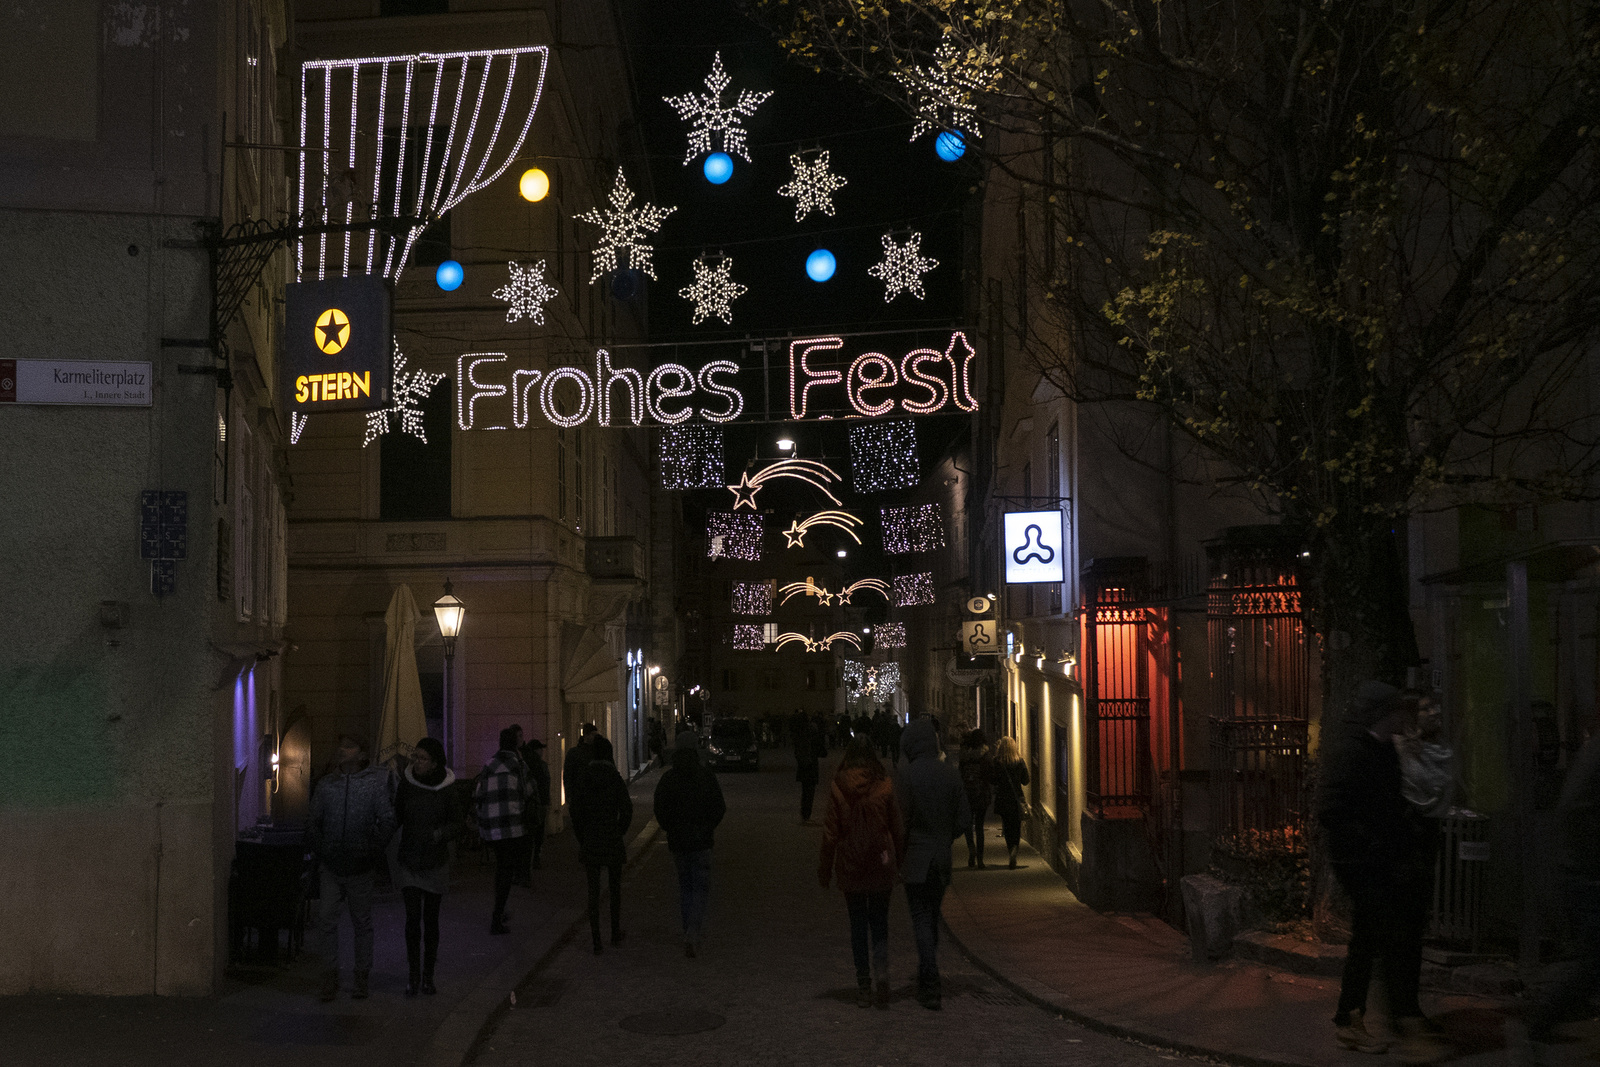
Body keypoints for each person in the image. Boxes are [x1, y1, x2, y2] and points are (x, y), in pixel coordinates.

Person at [1316, 681, 1444, 1061]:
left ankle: (1372, 1016)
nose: (1407, 718)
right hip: (1359, 862)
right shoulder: (1352, 751)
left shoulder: (1384, 748)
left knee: (1375, 935)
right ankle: (1355, 1020)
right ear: (1385, 714)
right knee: (1375, 934)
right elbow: (1331, 810)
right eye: (1400, 712)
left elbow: (1394, 801)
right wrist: (1371, 842)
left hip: (1379, 859)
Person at [1519, 724, 1600, 1054]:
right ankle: (1540, 1024)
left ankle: (1541, 1023)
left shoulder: (1593, 750)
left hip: (1580, 868)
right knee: (1592, 962)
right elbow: (1580, 814)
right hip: (1587, 872)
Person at [819, 735, 906, 1010]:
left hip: (851, 864)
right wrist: (899, 863)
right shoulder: (885, 784)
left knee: (858, 927)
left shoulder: (839, 786)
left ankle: (864, 986)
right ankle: (881, 977)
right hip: (880, 863)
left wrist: (824, 870)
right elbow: (897, 828)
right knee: (879, 924)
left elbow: (831, 834)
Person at [307, 734, 395, 1002]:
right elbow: (313, 819)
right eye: (341, 745)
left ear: (360, 753)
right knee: (327, 919)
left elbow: (388, 819)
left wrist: (372, 848)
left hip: (360, 865)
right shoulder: (327, 785)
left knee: (361, 921)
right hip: (332, 864)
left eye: (349, 747)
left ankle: (361, 977)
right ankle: (330, 975)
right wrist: (321, 848)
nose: (342, 750)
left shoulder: (372, 785)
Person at [897, 715, 971, 1010]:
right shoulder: (950, 773)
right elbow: (964, 819)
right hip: (941, 858)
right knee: (932, 917)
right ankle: (928, 971)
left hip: (916, 858)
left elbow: (901, 820)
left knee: (920, 919)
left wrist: (898, 855)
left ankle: (930, 983)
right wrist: (945, 837)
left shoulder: (907, 775)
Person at [393, 737, 464, 997]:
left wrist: (439, 834)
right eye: (416, 758)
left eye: (423, 759)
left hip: (435, 861)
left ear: (434, 763)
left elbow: (458, 822)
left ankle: (428, 976)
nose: (418, 763)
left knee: (431, 921)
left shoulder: (447, 789)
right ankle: (413, 975)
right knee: (412, 920)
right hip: (410, 859)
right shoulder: (407, 785)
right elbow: (396, 816)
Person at [653, 730, 728, 957]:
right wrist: (707, 827)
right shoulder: (706, 776)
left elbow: (660, 809)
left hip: (678, 842)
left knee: (685, 886)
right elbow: (719, 807)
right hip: (702, 841)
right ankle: (693, 931)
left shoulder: (669, 779)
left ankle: (688, 928)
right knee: (701, 889)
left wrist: (671, 828)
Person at [569, 734, 634, 954]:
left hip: (591, 838)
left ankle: (596, 940)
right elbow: (626, 810)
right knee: (615, 889)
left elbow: (575, 811)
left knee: (593, 891)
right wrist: (619, 831)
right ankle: (614, 932)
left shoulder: (584, 777)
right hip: (611, 838)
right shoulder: (614, 777)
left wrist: (582, 836)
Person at [473, 727, 533, 935]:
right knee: (506, 870)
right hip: (512, 826)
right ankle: (497, 916)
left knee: (501, 867)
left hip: (490, 826)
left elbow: (478, 793)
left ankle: (500, 909)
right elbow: (528, 791)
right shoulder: (518, 764)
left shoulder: (489, 763)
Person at [990, 737, 1030, 868]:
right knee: (1016, 827)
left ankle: (1010, 850)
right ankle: (1015, 849)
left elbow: (993, 780)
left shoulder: (997, 762)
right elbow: (1026, 780)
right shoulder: (1019, 761)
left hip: (1003, 798)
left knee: (1007, 827)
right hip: (1016, 798)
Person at [958, 728, 994, 869]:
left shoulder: (965, 757)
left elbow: (960, 775)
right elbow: (990, 776)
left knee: (968, 825)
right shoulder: (985, 756)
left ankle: (971, 849)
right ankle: (980, 859)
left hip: (967, 794)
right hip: (981, 794)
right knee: (979, 826)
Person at [518, 731, 552, 871]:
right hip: (539, 802)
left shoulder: (531, 764)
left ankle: (532, 857)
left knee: (534, 831)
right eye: (539, 749)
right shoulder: (538, 765)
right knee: (538, 830)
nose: (542, 751)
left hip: (537, 802)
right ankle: (535, 856)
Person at [562, 722, 599, 808]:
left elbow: (567, 776)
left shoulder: (573, 753)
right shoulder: (594, 753)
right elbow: (568, 776)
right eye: (593, 735)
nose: (595, 738)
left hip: (580, 796)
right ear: (586, 735)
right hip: (581, 796)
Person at [794, 712, 822, 823]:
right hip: (810, 766)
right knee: (809, 792)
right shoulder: (811, 734)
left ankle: (804, 814)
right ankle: (806, 815)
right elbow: (821, 751)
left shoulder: (799, 734)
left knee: (805, 791)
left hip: (803, 766)